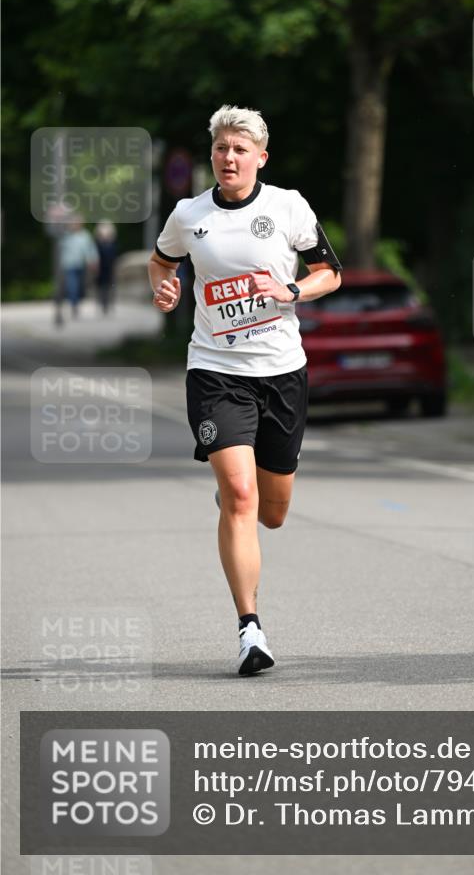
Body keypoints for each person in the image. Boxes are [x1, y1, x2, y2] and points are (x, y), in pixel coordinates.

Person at [147, 105, 342, 675]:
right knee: (239, 494)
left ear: (261, 157)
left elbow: (330, 272)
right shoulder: (189, 215)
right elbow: (161, 262)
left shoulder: (287, 206)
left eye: (239, 149)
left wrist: (292, 291)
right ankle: (250, 630)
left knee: (272, 513)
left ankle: (243, 501)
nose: (228, 158)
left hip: (281, 373)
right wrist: (165, 290)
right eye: (220, 148)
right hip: (215, 371)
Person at [58, 215, 99, 318]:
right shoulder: (66, 235)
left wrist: (93, 260)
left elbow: (90, 249)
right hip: (69, 265)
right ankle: (74, 305)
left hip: (81, 265)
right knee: (73, 285)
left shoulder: (85, 235)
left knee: (80, 287)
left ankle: (75, 302)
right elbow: (60, 249)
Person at [94, 220, 118, 314]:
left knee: (110, 287)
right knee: (100, 287)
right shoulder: (97, 245)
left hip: (109, 269)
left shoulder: (112, 245)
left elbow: (114, 259)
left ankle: (108, 305)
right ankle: (101, 304)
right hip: (100, 269)